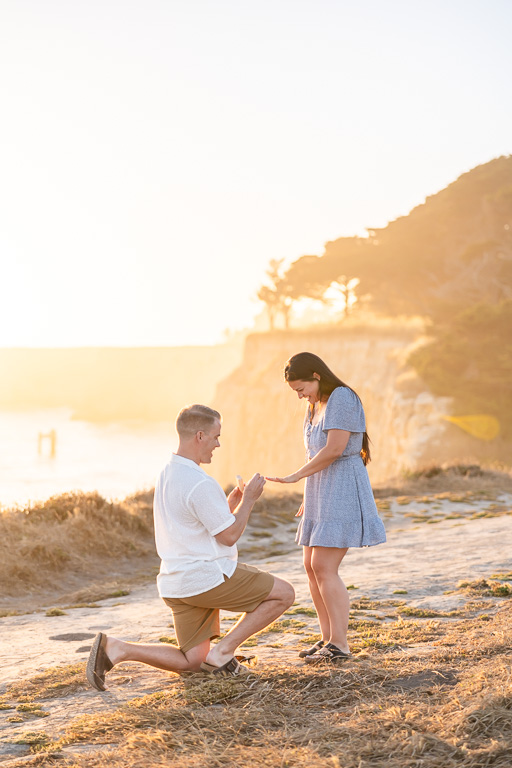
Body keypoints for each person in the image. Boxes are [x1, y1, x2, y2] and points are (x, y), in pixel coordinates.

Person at [86, 404, 295, 690]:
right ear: (200, 436)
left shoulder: (168, 472)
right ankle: (223, 653)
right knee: (284, 594)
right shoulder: (199, 482)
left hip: (177, 585)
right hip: (206, 579)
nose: (218, 444)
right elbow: (229, 536)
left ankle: (118, 649)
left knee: (194, 662)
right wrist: (250, 500)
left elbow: (191, 522)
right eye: (215, 436)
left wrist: (228, 505)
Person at [266, 352, 386, 664]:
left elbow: (334, 449)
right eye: (295, 391)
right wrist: (309, 493)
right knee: (310, 565)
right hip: (321, 489)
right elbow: (316, 452)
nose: (299, 394)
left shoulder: (341, 398)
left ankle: (340, 645)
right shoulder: (314, 406)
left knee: (323, 566)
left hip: (342, 485)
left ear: (316, 375)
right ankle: (327, 639)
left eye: (300, 387)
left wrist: (296, 476)